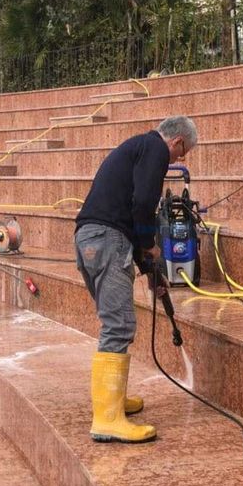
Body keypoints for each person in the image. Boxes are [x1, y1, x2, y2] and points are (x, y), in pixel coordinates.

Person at [75, 115, 198, 443]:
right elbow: (143, 205)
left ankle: (112, 400)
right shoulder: (156, 148)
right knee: (119, 325)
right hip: (107, 239)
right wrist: (149, 245)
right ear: (178, 142)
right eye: (182, 154)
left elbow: (130, 211)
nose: (178, 160)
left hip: (92, 239)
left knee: (114, 321)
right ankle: (107, 418)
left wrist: (147, 270)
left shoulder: (136, 147)